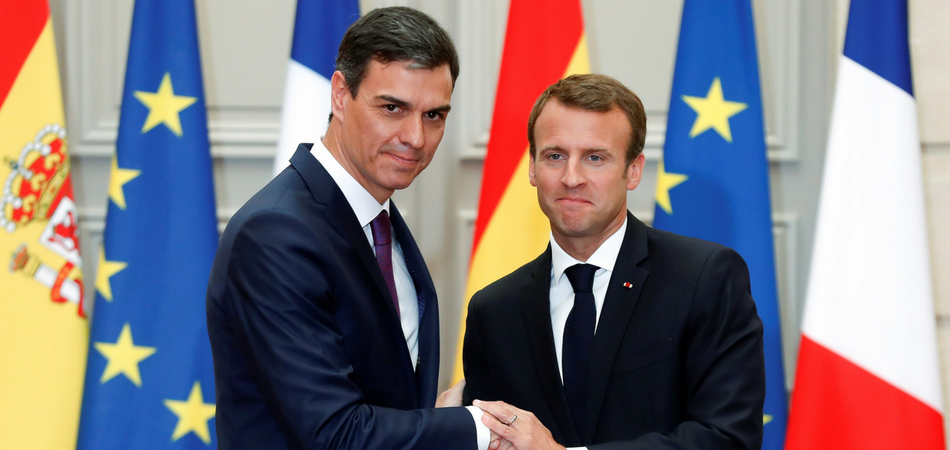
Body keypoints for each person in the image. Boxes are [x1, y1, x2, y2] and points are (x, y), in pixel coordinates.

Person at [206, 7, 492, 449]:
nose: (416, 137)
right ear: (340, 95)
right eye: (393, 108)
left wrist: (441, 416)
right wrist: (478, 429)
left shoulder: (377, 218)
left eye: (434, 115)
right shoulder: (274, 234)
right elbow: (334, 434)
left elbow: (381, 394)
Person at [463, 74, 765, 450]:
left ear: (633, 170)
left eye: (595, 158)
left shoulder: (704, 279)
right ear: (532, 167)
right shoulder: (493, 310)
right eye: (555, 156)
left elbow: (728, 438)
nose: (572, 178)